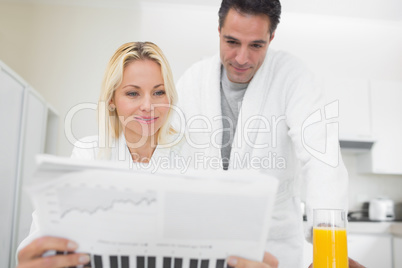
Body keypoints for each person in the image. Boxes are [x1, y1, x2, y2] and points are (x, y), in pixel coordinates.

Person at [16, 41, 279, 268]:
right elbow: (44, 236)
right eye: (132, 93)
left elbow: (222, 238)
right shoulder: (89, 153)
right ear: (111, 100)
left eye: (158, 92)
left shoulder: (194, 154)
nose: (147, 106)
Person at [175, 0, 362, 267]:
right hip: (206, 242)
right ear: (218, 31)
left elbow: (322, 158)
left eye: (256, 45)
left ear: (271, 37)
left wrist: (329, 253)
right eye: (232, 42)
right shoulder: (193, 80)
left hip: (273, 245)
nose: (241, 58)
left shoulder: (293, 77)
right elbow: (169, 155)